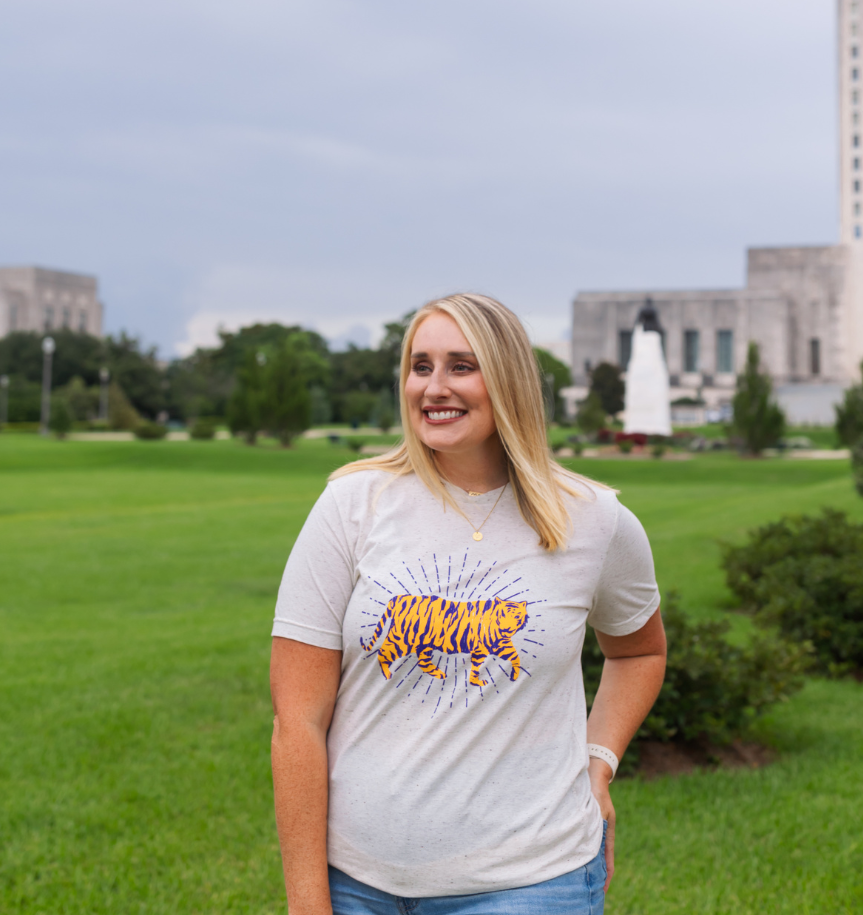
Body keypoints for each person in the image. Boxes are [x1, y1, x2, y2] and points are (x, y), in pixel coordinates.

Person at [271, 293, 666, 915]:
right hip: (355, 883)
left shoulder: (595, 520)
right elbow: (297, 720)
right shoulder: (352, 504)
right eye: (420, 366)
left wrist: (599, 760)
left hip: (532, 883)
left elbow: (639, 651)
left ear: (507, 379)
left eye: (461, 365)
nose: (434, 387)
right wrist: (308, 903)